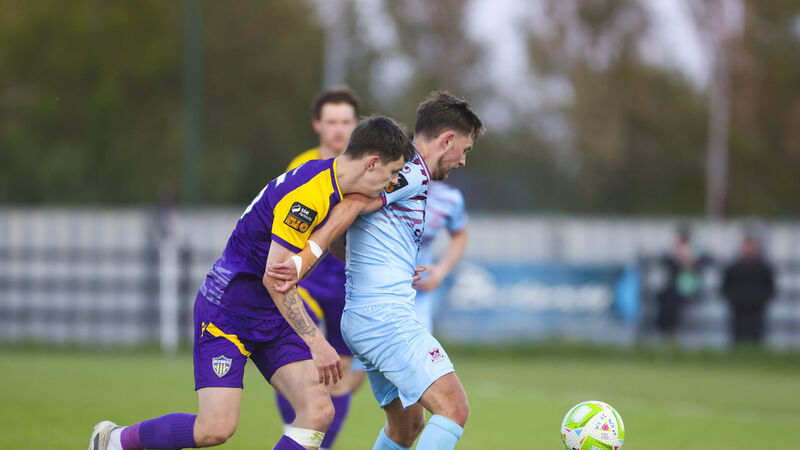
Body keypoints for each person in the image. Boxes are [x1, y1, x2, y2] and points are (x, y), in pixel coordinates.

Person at [88, 115, 416, 450]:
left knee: (318, 410)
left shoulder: (334, 182)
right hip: (228, 312)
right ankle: (113, 441)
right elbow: (276, 280)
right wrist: (317, 342)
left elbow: (328, 239)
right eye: (391, 173)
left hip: (273, 314)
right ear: (372, 163)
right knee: (214, 430)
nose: (391, 182)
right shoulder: (307, 198)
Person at [269, 90, 484, 450]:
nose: (462, 160)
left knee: (407, 427)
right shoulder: (412, 170)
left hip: (364, 318)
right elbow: (354, 201)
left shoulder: (404, 171)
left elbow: (351, 216)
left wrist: (394, 268)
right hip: (385, 318)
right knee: (454, 408)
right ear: (446, 140)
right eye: (464, 149)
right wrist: (305, 258)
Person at [275, 86, 361, 449]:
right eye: (332, 122)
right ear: (317, 124)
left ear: (356, 125)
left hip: (350, 280)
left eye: (346, 122)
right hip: (307, 275)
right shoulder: (302, 167)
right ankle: (296, 429)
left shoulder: (369, 169)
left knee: (344, 374)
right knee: (298, 348)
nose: (339, 130)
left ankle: (315, 444)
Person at [413, 181, 469, 332]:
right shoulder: (385, 187)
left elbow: (460, 235)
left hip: (419, 292)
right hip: (378, 288)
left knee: (420, 351)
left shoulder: (449, 197)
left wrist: (442, 270)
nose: (461, 162)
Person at [654, 225, 711, 339]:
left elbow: (707, 261)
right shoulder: (672, 255)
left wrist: (691, 263)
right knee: (667, 299)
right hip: (674, 293)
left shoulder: (699, 254)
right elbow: (665, 263)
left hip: (692, 291)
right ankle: (669, 334)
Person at [721, 233, 775, 346]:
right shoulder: (733, 268)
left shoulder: (763, 268)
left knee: (756, 337)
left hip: (756, 310)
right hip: (738, 309)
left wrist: (760, 299)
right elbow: (724, 287)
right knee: (738, 337)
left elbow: (770, 288)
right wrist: (735, 299)